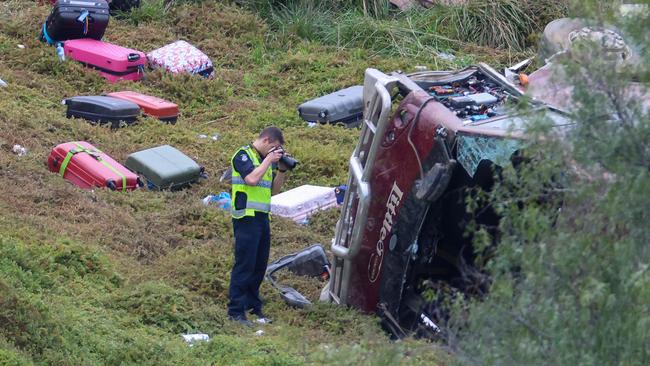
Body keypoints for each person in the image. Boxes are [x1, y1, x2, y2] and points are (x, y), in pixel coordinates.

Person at [227, 126, 289, 326]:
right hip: (246, 217)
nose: (274, 152)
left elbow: (272, 191)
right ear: (266, 141)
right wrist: (268, 161)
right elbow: (252, 180)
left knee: (259, 264)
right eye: (275, 148)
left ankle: (253, 306)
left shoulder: (266, 162)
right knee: (244, 264)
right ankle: (235, 311)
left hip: (262, 218)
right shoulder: (242, 155)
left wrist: (281, 170)